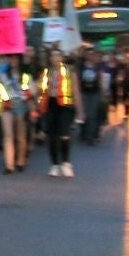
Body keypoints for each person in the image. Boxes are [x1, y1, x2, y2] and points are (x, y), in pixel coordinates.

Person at [41, 47, 80, 177]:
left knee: (65, 134)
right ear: (50, 58)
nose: (55, 58)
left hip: (66, 106)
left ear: (62, 58)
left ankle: (66, 162)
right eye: (53, 56)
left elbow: (76, 92)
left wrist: (80, 111)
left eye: (58, 56)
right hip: (51, 105)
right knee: (52, 136)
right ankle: (54, 164)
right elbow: (40, 90)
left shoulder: (69, 72)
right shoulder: (46, 73)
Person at [0, 57, 33, 173]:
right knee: (8, 135)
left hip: (21, 103)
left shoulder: (25, 75)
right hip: (7, 103)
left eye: (15, 58)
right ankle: (9, 165)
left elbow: (30, 91)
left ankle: (20, 160)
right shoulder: (2, 73)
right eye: (10, 58)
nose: (13, 60)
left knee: (20, 135)